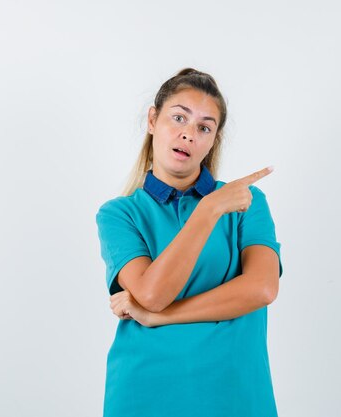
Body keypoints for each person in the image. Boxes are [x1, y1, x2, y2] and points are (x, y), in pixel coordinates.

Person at [95, 68, 284, 417]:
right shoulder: (119, 214)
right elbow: (153, 294)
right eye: (178, 117)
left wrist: (159, 318)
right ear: (153, 119)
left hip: (235, 394)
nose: (188, 135)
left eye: (204, 127)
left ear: (214, 139)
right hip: (145, 394)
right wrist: (209, 208)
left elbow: (262, 289)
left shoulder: (246, 202)